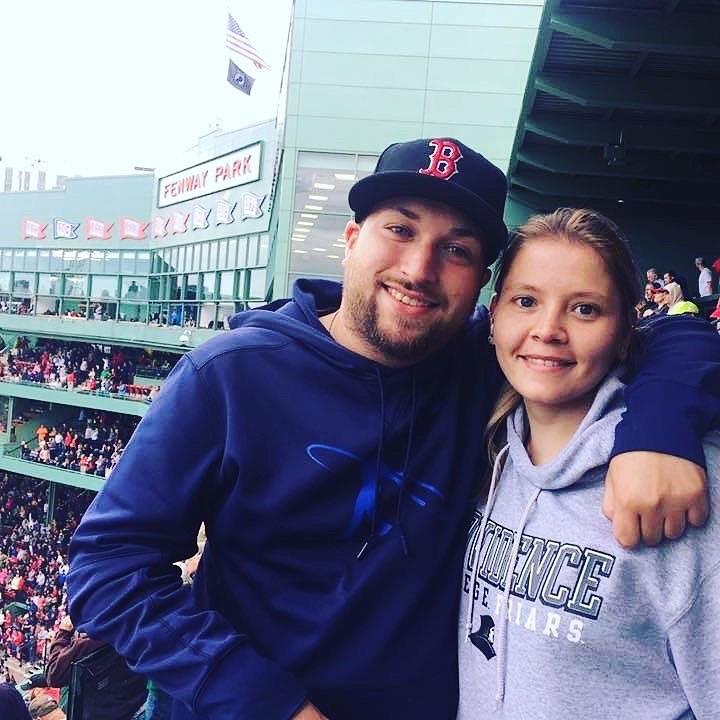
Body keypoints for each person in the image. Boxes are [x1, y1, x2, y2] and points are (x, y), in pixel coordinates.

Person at [68, 138, 720, 720]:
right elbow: (108, 567)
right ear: (353, 238)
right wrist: (267, 703)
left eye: (456, 249)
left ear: (483, 286)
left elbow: (673, 333)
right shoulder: (231, 375)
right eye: (399, 230)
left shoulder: (490, 362)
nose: (419, 268)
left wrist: (658, 430)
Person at [458, 208, 720, 718]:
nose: (548, 329)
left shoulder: (684, 483)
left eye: (584, 309)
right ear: (493, 318)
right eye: (526, 301)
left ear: (625, 331)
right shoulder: (490, 450)